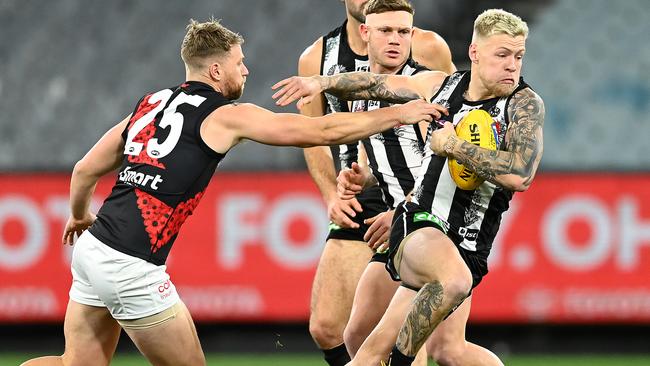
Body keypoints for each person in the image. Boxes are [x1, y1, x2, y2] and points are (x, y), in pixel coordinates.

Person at [20, 19, 444, 366]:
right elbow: (321, 130)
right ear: (216, 70)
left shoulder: (149, 104)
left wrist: (78, 215)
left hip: (93, 251)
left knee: (74, 363)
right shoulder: (223, 116)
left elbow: (84, 170)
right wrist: (400, 113)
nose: (246, 71)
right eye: (240, 63)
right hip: (132, 264)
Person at [273, 8, 544, 366]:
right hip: (421, 223)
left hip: (467, 244)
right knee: (413, 308)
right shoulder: (442, 87)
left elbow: (520, 175)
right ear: (475, 53)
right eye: (503, 55)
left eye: (519, 56)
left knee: (438, 349)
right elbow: (375, 83)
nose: (513, 65)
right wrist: (320, 83)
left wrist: (454, 146)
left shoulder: (524, 105)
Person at [286, 0, 454, 364]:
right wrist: (341, 188)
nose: (395, 38)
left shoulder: (428, 53)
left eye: (401, 32)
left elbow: (451, 136)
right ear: (366, 33)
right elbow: (316, 134)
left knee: (432, 343)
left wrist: (408, 209)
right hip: (367, 195)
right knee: (332, 327)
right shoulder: (318, 56)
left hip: (424, 206)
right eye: (386, 31)